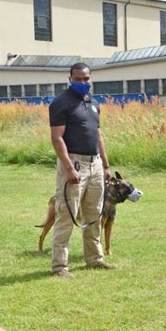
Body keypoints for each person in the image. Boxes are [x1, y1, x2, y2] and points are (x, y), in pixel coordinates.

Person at [49, 62, 116, 277]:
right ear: (70, 79)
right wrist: (69, 168)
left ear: (91, 78)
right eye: (77, 79)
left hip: (94, 163)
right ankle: (60, 266)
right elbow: (57, 138)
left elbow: (98, 135)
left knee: (94, 214)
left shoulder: (93, 103)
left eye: (86, 79)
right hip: (74, 164)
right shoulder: (61, 103)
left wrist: (105, 165)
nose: (82, 83)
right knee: (67, 215)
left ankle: (95, 258)